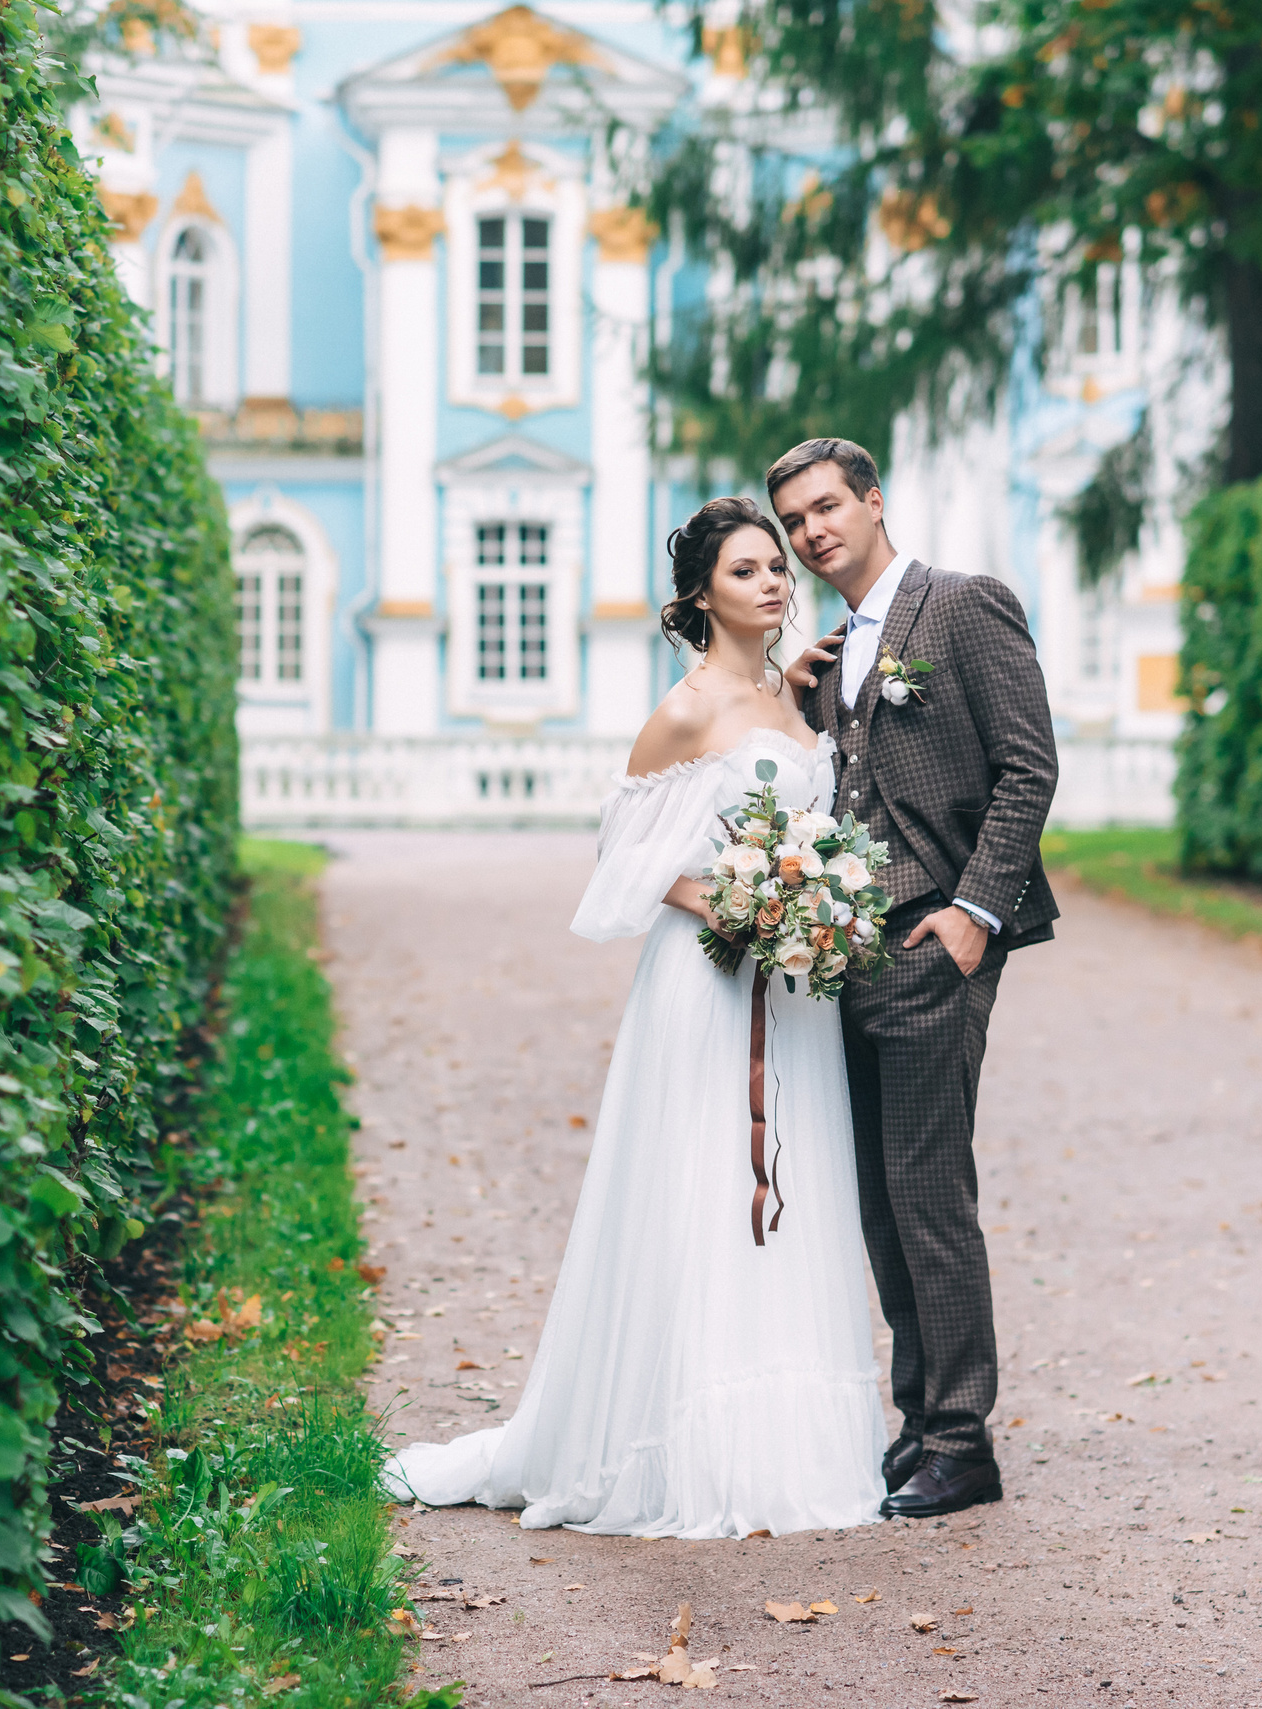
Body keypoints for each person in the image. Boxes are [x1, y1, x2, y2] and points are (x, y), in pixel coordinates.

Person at [378, 497, 889, 1537]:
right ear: (702, 594)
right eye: (748, 571)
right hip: (706, 981)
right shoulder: (688, 709)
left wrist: (806, 905)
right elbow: (627, 853)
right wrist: (737, 902)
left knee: (796, 1196)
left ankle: (793, 1443)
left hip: (790, 992)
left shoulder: (796, 702)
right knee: (701, 1191)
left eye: (778, 568)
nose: (775, 584)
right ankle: (683, 1442)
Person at [770, 438, 1059, 1520]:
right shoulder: (840, 647)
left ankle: (963, 1439)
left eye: (828, 506)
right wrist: (806, 703)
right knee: (880, 1200)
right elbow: (854, 778)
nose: (811, 532)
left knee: (929, 1188)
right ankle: (915, 1419)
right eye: (795, 520)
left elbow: (1028, 763)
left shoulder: (963, 604)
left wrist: (975, 913)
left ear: (874, 499)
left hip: (934, 940)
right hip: (850, 951)